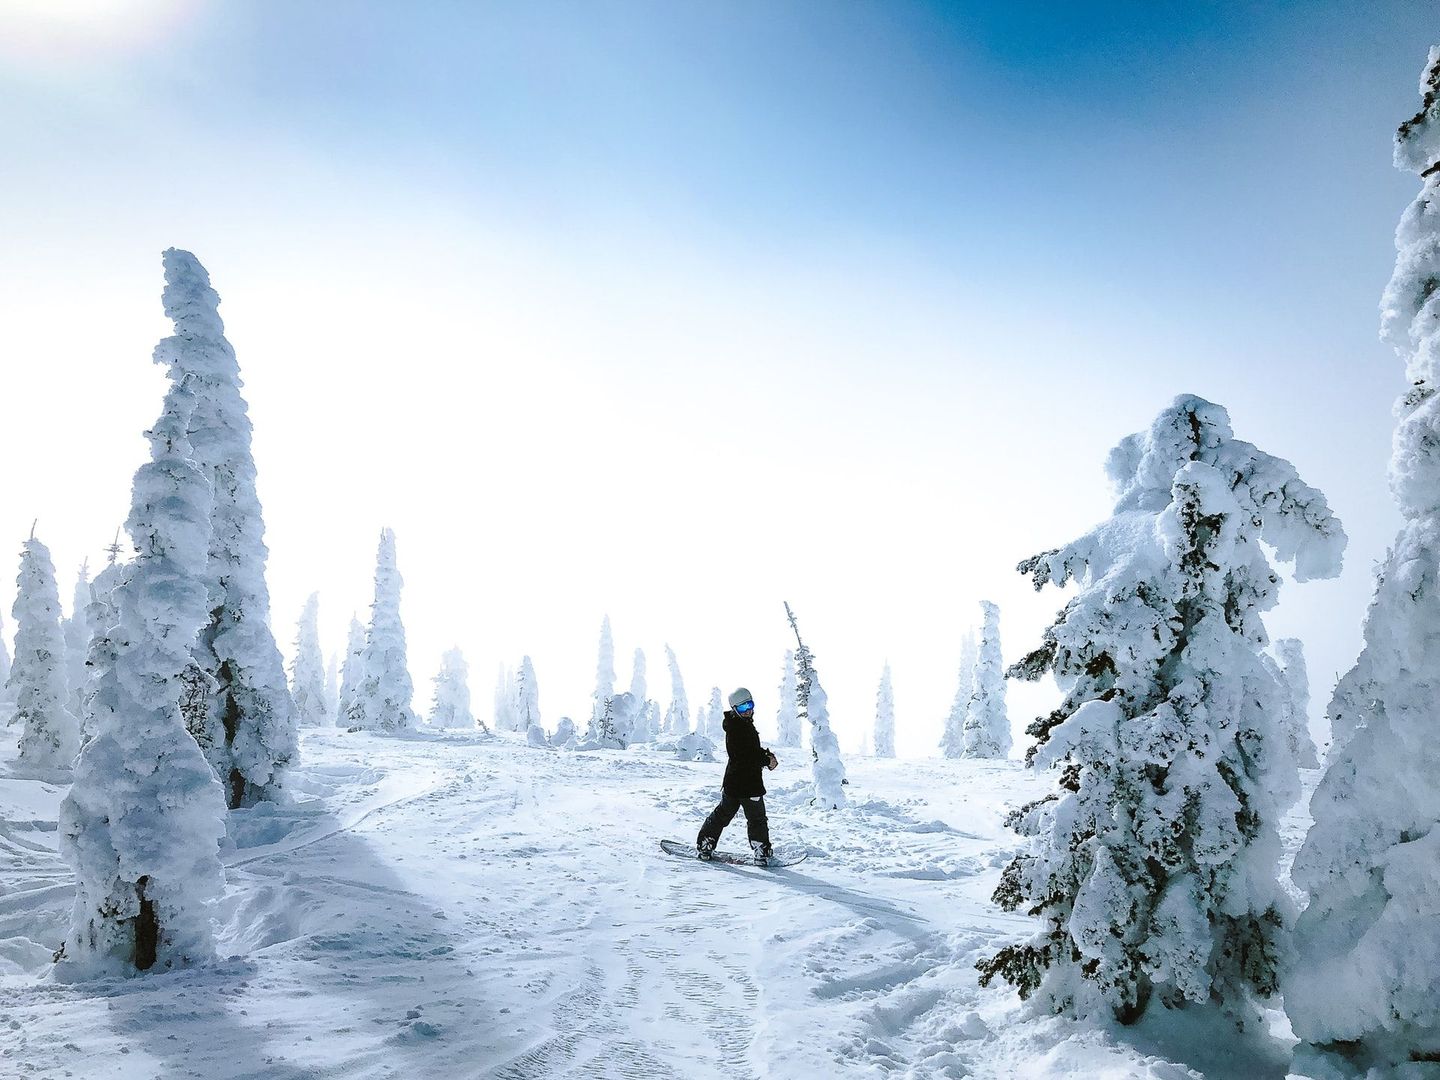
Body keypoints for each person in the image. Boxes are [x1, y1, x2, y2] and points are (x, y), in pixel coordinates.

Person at [696, 687, 779, 864]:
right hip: (748, 785)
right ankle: (761, 851)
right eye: (742, 708)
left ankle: (706, 843)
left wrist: (765, 755)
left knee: (721, 815)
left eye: (749, 705)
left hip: (733, 784)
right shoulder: (737, 728)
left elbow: (749, 751)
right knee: (756, 819)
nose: (748, 710)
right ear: (734, 709)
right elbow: (744, 757)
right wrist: (766, 760)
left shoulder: (738, 724)